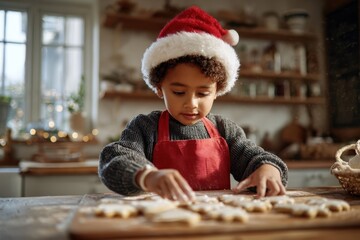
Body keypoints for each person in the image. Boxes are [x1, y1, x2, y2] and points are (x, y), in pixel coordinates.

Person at [99, 6, 288, 202]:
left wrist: (268, 170)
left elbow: (256, 159)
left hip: (214, 222)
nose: (191, 103)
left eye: (203, 93)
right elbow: (115, 159)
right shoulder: (145, 128)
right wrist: (146, 176)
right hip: (159, 224)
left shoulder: (225, 130)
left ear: (218, 90)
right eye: (179, 92)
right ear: (159, 87)